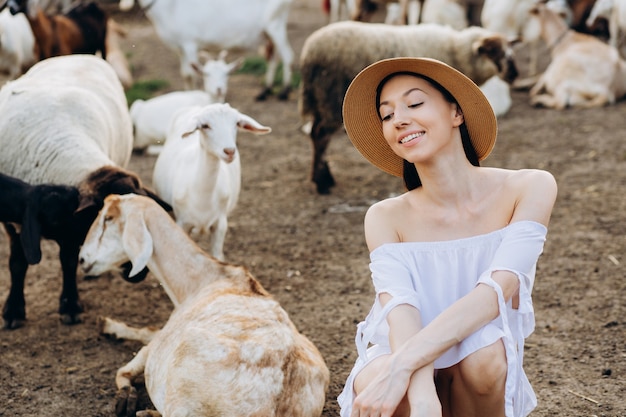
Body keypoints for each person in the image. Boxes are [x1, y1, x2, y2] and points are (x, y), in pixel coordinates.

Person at [337, 57, 558, 417]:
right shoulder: (383, 217)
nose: (400, 119)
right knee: (384, 382)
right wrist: (418, 391)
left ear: (457, 113)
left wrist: (403, 365)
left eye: (415, 103)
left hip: (477, 357)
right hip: (401, 351)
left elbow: (495, 294)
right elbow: (401, 311)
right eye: (387, 114)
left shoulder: (530, 187)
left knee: (486, 357)